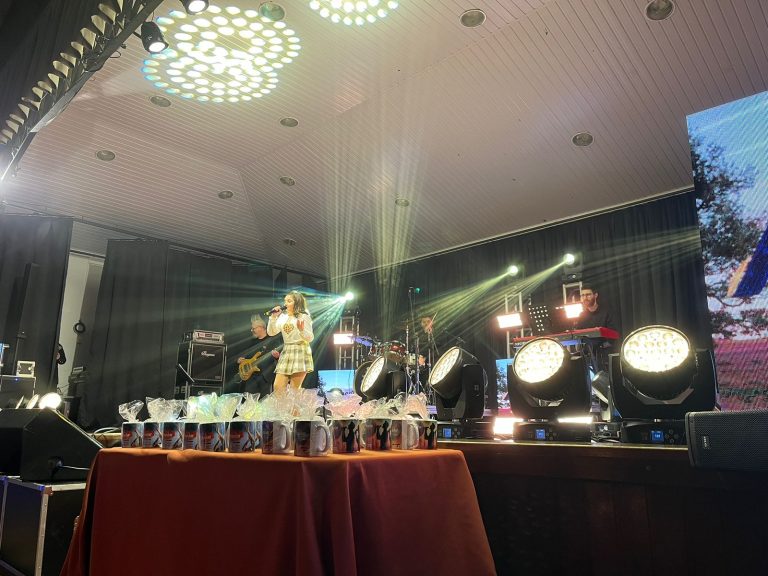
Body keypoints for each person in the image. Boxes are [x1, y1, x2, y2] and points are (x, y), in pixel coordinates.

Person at [267, 290, 314, 391]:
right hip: (287, 350)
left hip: (300, 349)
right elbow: (271, 332)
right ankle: (281, 403)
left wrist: (301, 330)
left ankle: (296, 402)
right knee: (277, 386)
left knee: (294, 389)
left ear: (297, 303)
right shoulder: (283, 317)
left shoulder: (304, 316)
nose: (285, 304)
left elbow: (310, 338)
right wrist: (273, 317)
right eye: (285, 301)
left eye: (289, 301)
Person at [236, 316, 280, 397]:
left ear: (261, 328)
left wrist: (277, 356)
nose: (252, 330)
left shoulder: (272, 340)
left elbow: (280, 357)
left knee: (265, 401)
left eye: (254, 328)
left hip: (266, 377)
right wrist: (240, 359)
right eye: (252, 329)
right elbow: (244, 356)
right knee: (249, 400)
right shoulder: (252, 342)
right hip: (251, 377)